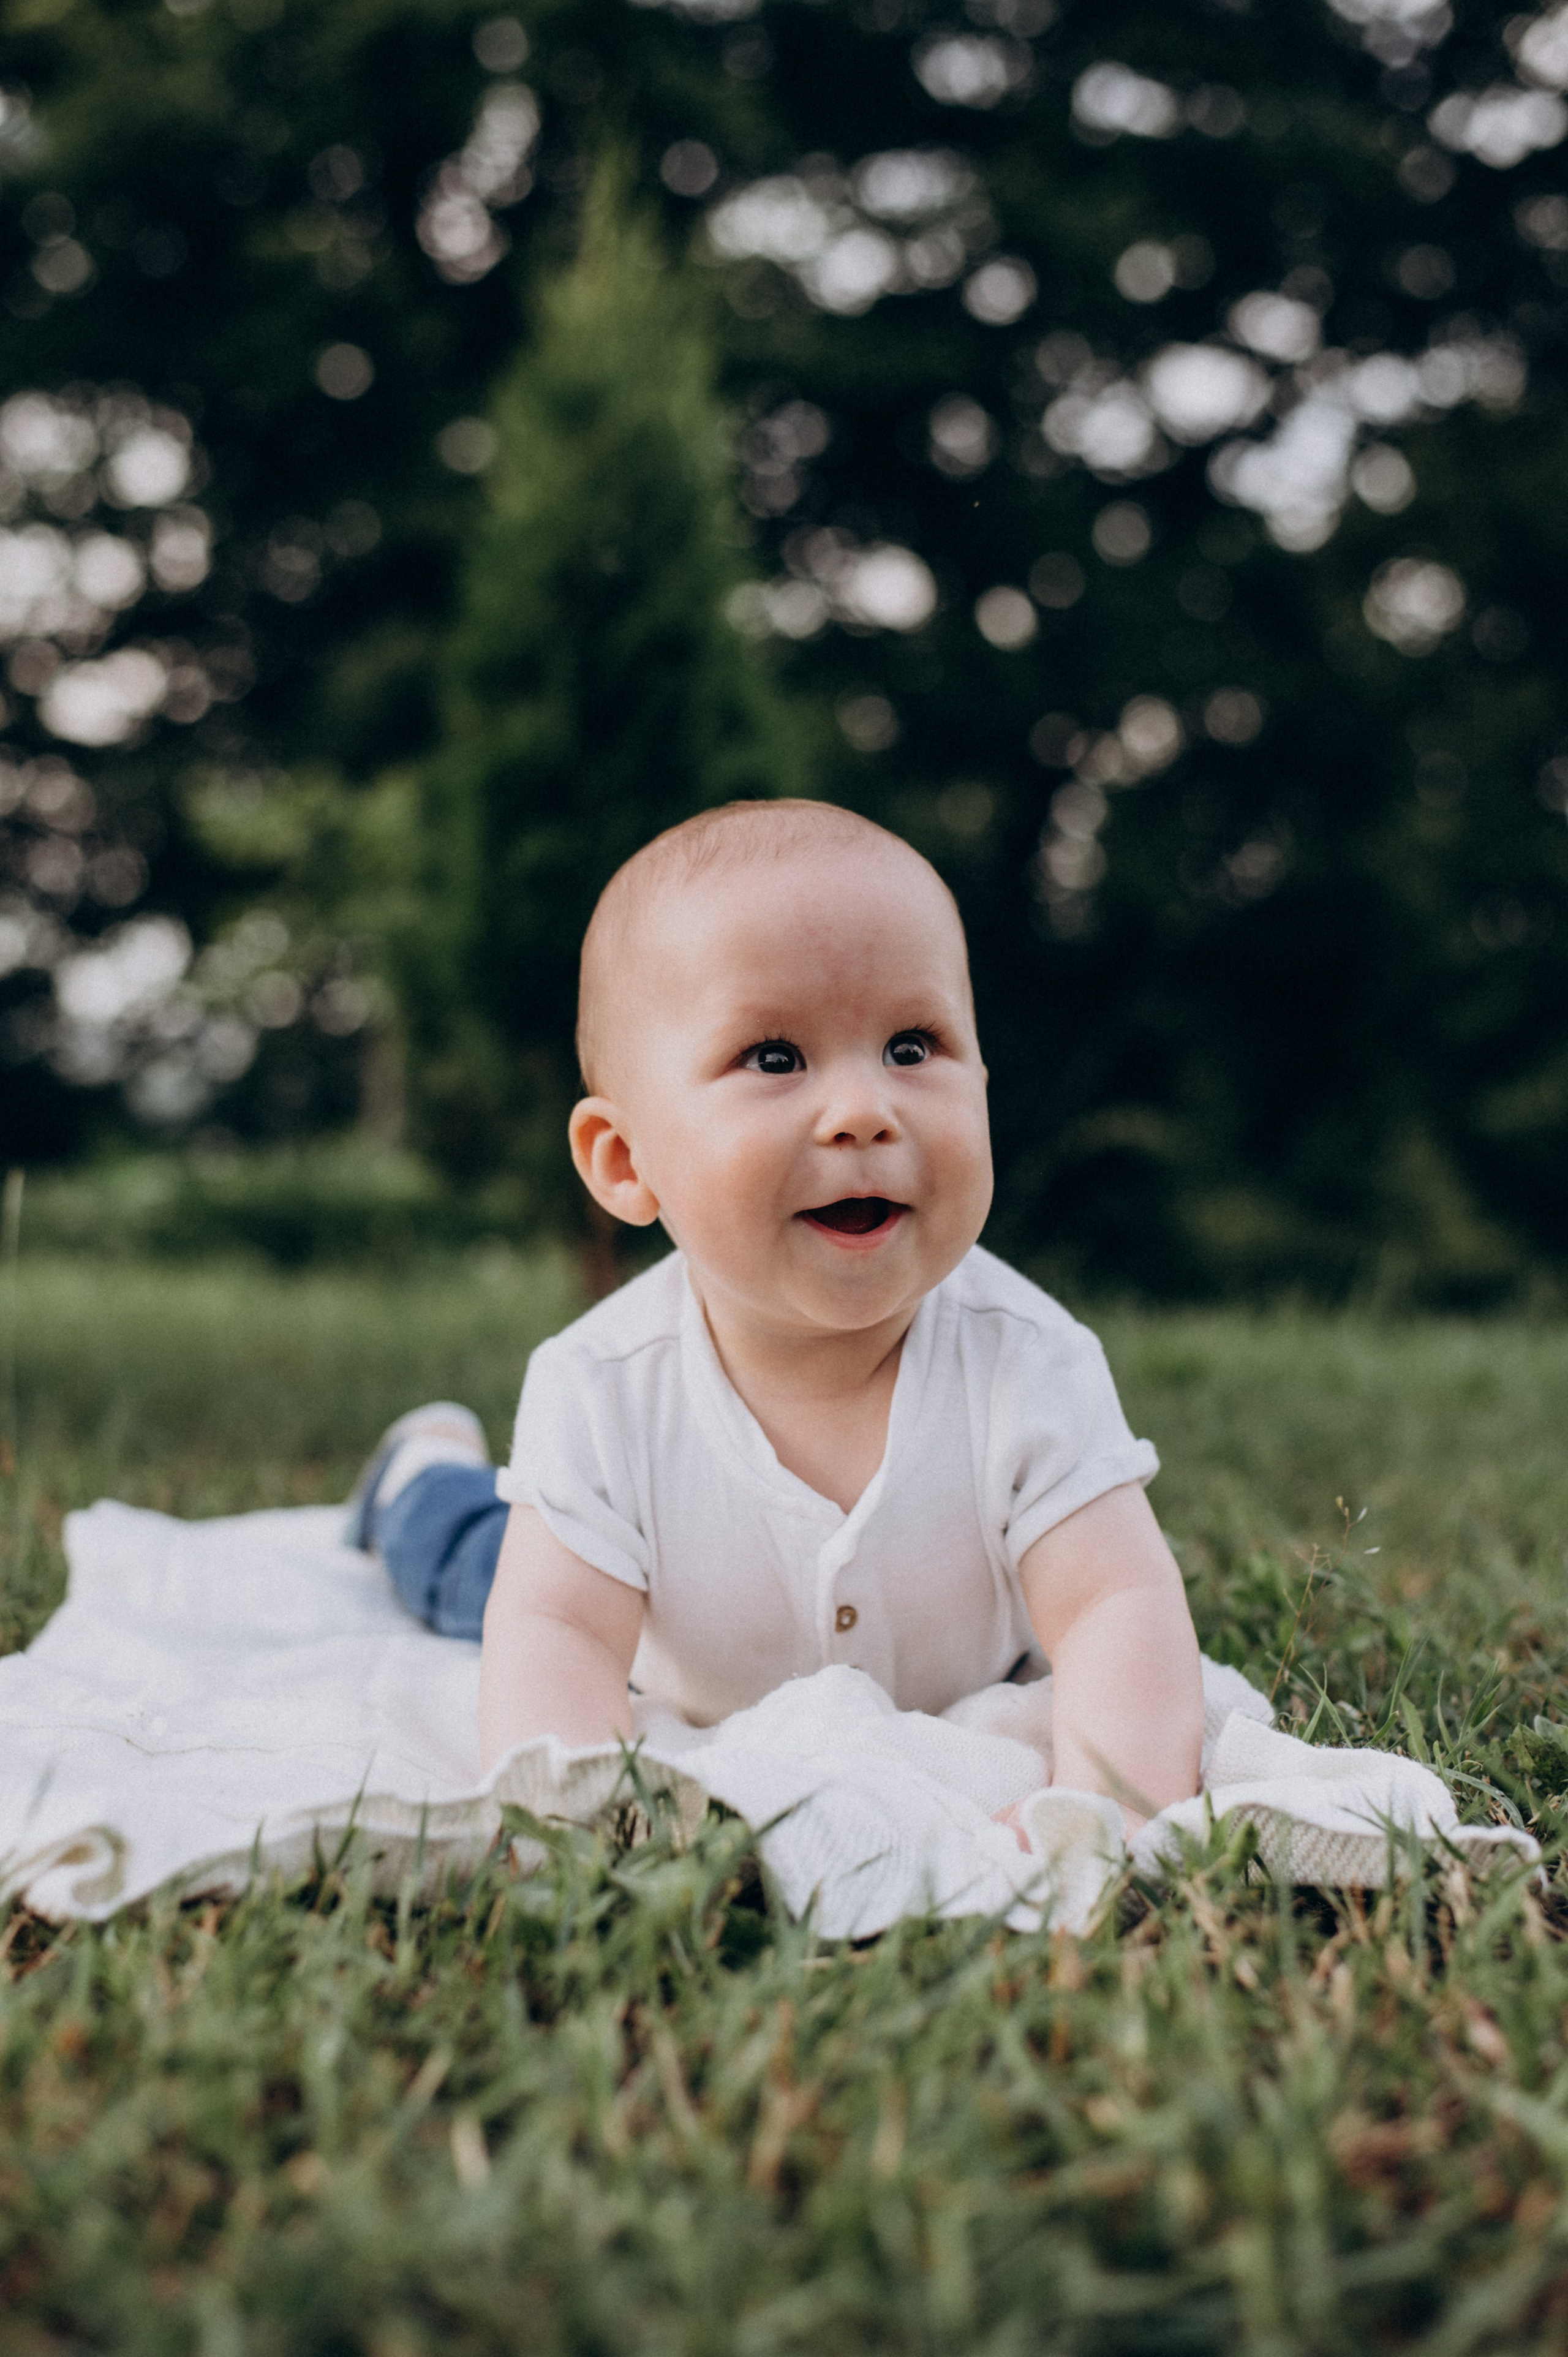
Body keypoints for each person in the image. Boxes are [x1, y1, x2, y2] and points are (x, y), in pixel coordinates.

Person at [351, 799, 1204, 1834]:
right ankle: (419, 1473)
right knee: (476, 1575)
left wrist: (1110, 1806)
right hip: (651, 1618)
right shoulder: (602, 1386)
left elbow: (1119, 1606)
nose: (862, 1111)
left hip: (889, 1642)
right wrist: (584, 1811)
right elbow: (561, 1635)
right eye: (774, 1058)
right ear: (627, 1163)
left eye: (911, 1044)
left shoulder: (1030, 1364)